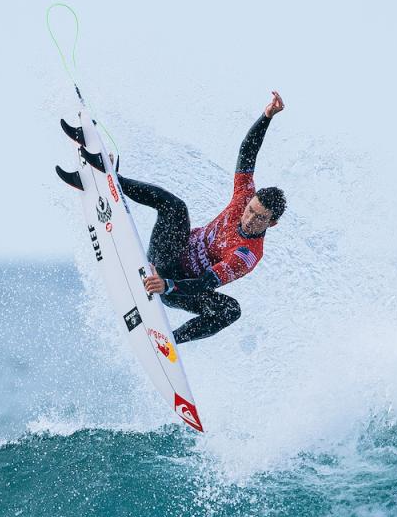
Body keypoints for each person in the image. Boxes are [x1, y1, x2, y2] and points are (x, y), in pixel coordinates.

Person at [62, 92, 287, 344]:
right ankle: (114, 181)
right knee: (176, 208)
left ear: (272, 223)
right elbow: (248, 151)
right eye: (251, 211)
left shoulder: (247, 254)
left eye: (259, 218)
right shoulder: (245, 195)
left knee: (231, 311)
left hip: (178, 287)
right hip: (166, 255)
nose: (249, 218)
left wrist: (167, 285)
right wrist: (267, 116)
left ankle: (169, 341)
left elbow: (204, 283)